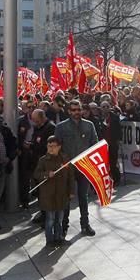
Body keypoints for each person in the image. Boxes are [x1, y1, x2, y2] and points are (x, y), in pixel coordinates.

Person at [54, 100, 98, 236]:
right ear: (69, 111)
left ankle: (85, 224)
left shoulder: (89, 125)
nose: (77, 112)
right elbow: (56, 147)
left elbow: (94, 144)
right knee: (67, 197)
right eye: (73, 110)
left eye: (78, 109)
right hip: (68, 168)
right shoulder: (61, 127)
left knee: (83, 197)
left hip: (84, 166)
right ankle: (64, 226)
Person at [33, 136, 75, 248]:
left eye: (53, 146)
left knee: (60, 219)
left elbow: (71, 177)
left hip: (61, 195)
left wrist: (71, 191)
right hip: (48, 196)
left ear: (59, 147)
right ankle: (49, 240)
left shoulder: (65, 159)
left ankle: (58, 237)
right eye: (49, 146)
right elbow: (36, 174)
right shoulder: (43, 160)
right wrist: (46, 174)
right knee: (50, 220)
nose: (51, 148)